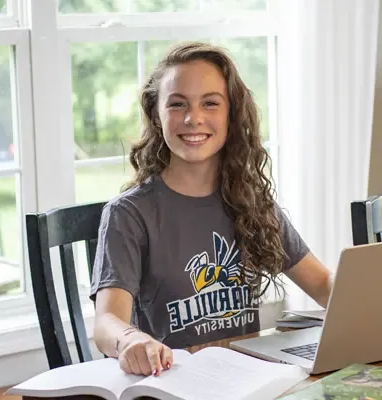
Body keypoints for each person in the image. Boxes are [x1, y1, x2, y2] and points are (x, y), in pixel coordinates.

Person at [90, 41, 332, 379]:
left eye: (210, 103)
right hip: (171, 383)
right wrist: (130, 341)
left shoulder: (251, 201)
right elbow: (106, 323)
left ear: (231, 115)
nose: (194, 118)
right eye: (177, 104)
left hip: (249, 380)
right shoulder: (128, 214)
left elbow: (323, 284)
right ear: (157, 117)